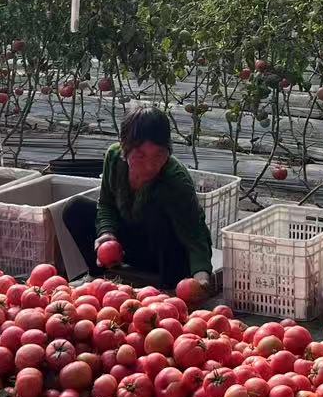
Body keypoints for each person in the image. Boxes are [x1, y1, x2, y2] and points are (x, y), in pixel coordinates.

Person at [64, 107, 215, 295]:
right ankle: (97, 277)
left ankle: (166, 290)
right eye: (140, 156)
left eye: (159, 155)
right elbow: (106, 205)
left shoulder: (176, 179)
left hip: (170, 256)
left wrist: (201, 276)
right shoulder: (114, 158)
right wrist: (107, 234)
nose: (150, 166)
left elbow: (194, 234)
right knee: (75, 208)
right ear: (124, 148)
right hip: (133, 249)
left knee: (158, 212)